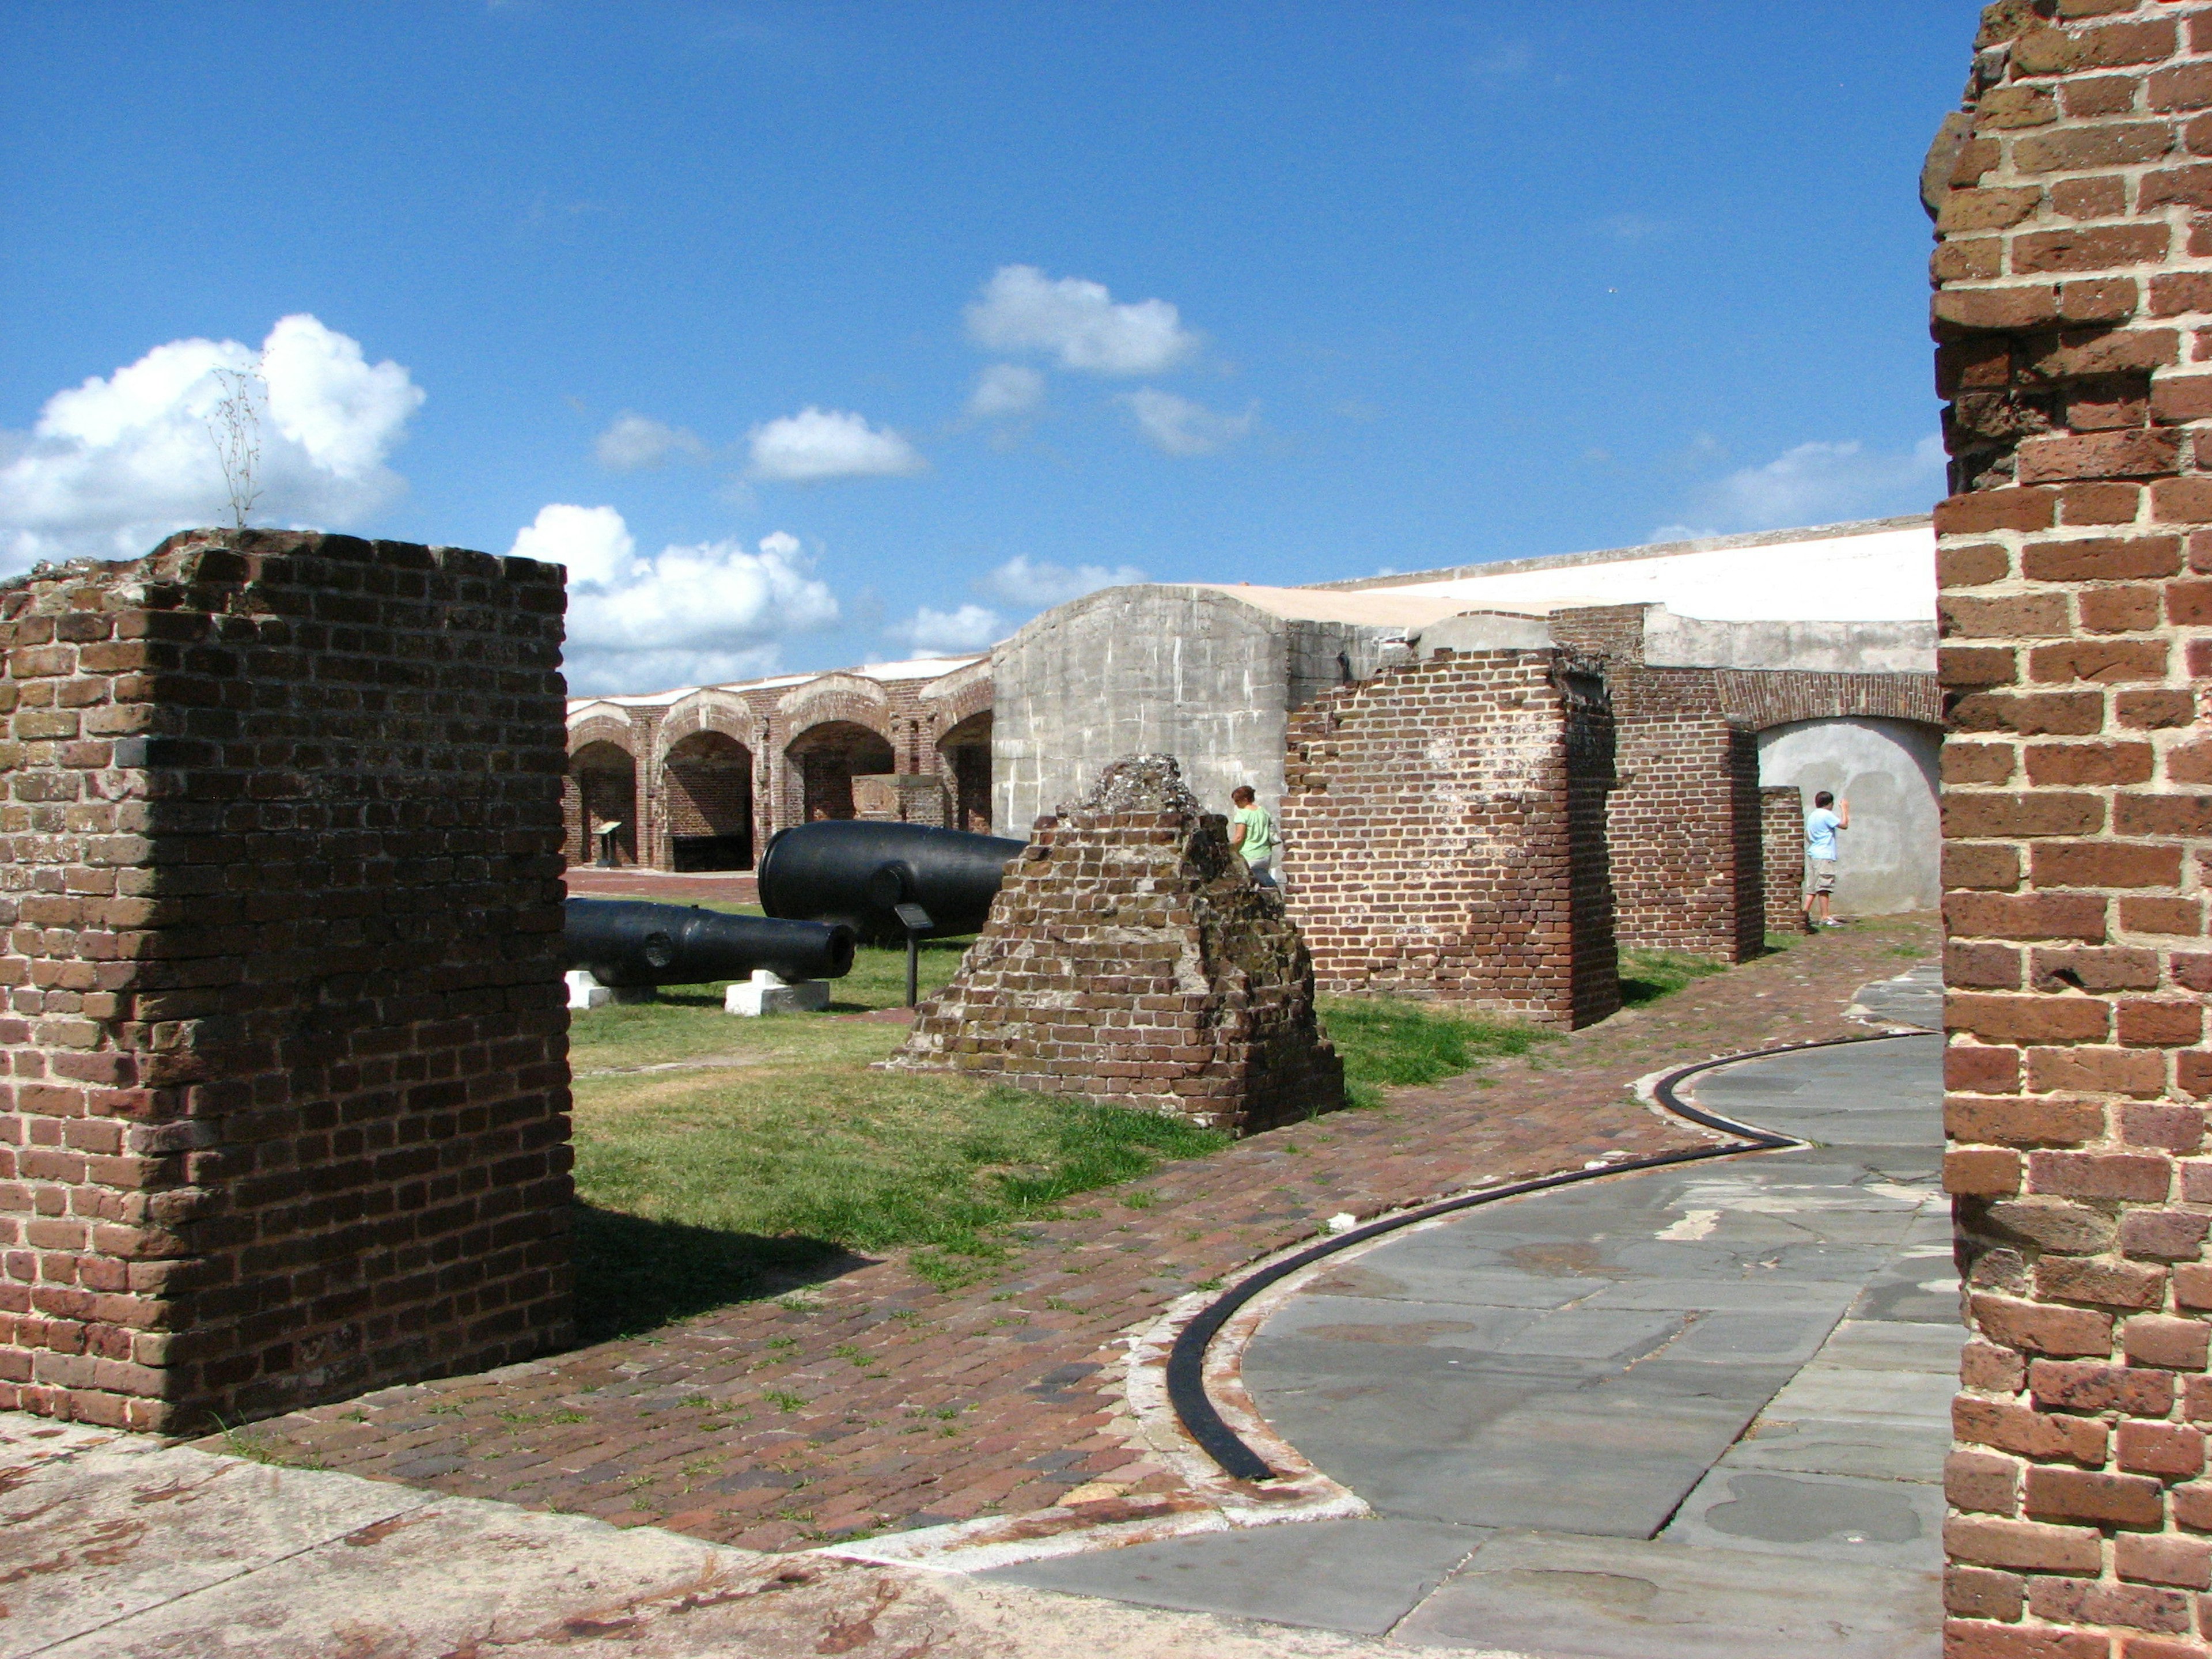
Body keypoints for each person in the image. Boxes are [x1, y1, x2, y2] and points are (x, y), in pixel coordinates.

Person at [1804, 789, 1849, 930]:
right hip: (1824, 855)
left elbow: (1807, 835)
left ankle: (1804, 913)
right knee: (1824, 886)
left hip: (1813, 853)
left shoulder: (1813, 815)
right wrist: (1845, 810)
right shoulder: (1826, 815)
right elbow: (1844, 825)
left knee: (1812, 886)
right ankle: (1825, 917)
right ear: (1829, 803)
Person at [1227, 785, 1279, 888]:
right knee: (1263, 884)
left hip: (1249, 856)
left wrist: (1228, 848)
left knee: (1247, 886)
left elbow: (1239, 837)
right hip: (1265, 855)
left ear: (1245, 799)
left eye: (1237, 801)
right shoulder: (1263, 811)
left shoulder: (1242, 814)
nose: (1235, 803)